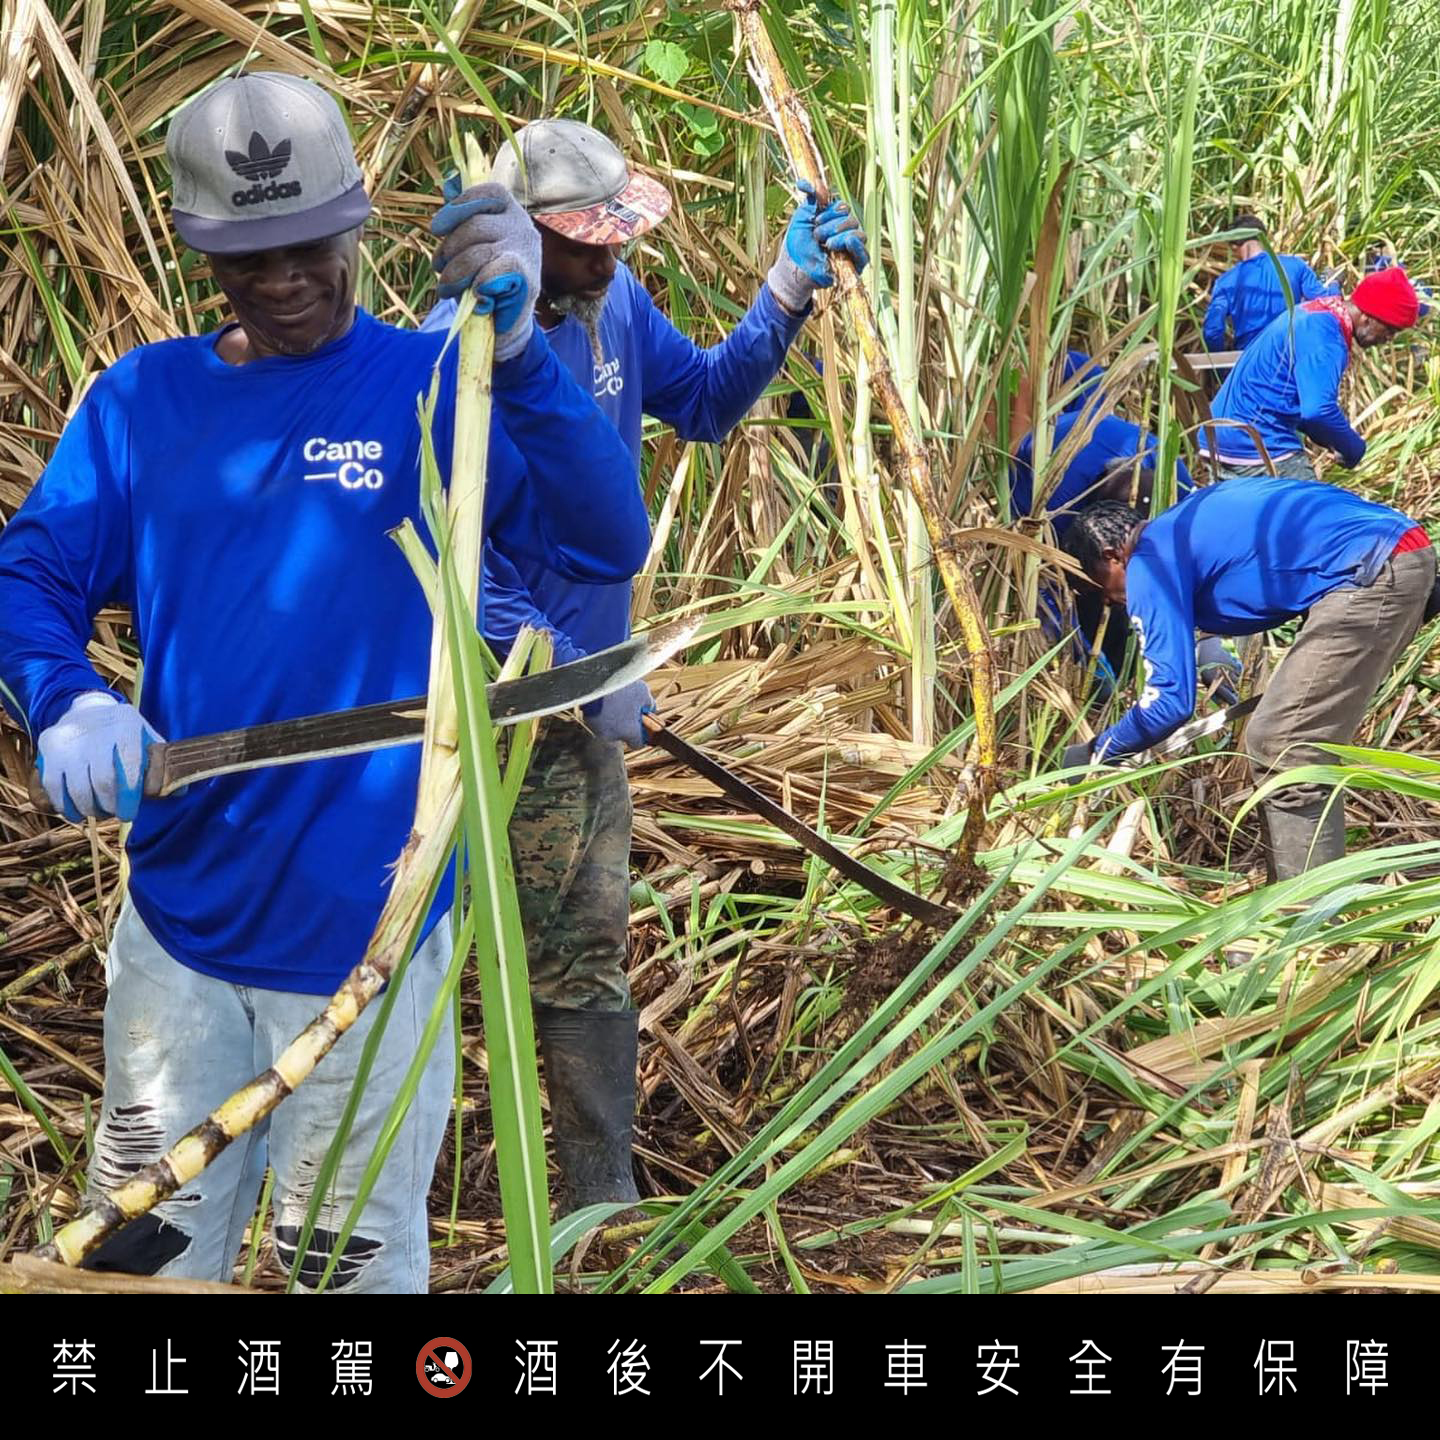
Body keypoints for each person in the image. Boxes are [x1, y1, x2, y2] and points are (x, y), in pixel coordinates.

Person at [0, 74, 650, 1291]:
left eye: (309, 246)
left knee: (338, 1279)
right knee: (141, 1263)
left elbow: (608, 538)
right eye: (250, 260)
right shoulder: (146, 402)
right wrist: (61, 693)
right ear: (204, 255)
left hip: (375, 941)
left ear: (356, 223)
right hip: (179, 942)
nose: (286, 279)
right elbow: (30, 568)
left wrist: (521, 355)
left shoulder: (437, 386)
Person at [425, 118, 869, 1210]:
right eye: (581, 242)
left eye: (616, 237)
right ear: (520, 240)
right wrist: (580, 672)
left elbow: (708, 401)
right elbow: (452, 561)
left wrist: (787, 291)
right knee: (452, 952)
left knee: (587, 948)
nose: (609, 257)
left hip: (589, 709)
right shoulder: (456, 348)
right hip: (490, 713)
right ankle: (420, 1195)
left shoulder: (614, 303)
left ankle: (598, 1198)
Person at [1058, 481, 1435, 879]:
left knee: (1283, 743)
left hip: (1368, 572)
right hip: (1397, 549)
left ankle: (1305, 916)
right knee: (1288, 732)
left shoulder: (1148, 564)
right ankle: (1302, 888)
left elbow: (1169, 702)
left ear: (1113, 555)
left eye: (1098, 586)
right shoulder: (1184, 523)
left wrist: (1099, 751)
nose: (1109, 601)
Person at [1010, 409, 1226, 700]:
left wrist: (1207, 638)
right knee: (1096, 599)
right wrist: (1081, 655)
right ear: (1111, 552)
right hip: (1049, 477)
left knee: (1123, 596)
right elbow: (1041, 581)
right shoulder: (1051, 501)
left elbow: (1194, 566)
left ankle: (1123, 682)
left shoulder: (1177, 486)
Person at [1203, 266, 1421, 480]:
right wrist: (1354, 448)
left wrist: (1330, 441)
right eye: (1391, 330)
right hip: (1253, 442)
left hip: (1216, 436)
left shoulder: (1315, 312)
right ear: (1368, 318)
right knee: (1320, 512)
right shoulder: (1327, 339)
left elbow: (1300, 409)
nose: (1390, 339)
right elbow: (1318, 411)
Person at [1202, 214, 1336, 352]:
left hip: (1249, 356)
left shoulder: (1226, 282)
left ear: (1234, 246)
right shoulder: (1296, 266)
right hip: (1290, 354)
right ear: (1264, 239)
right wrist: (1334, 283)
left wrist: (1219, 365)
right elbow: (1326, 300)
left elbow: (1212, 331)